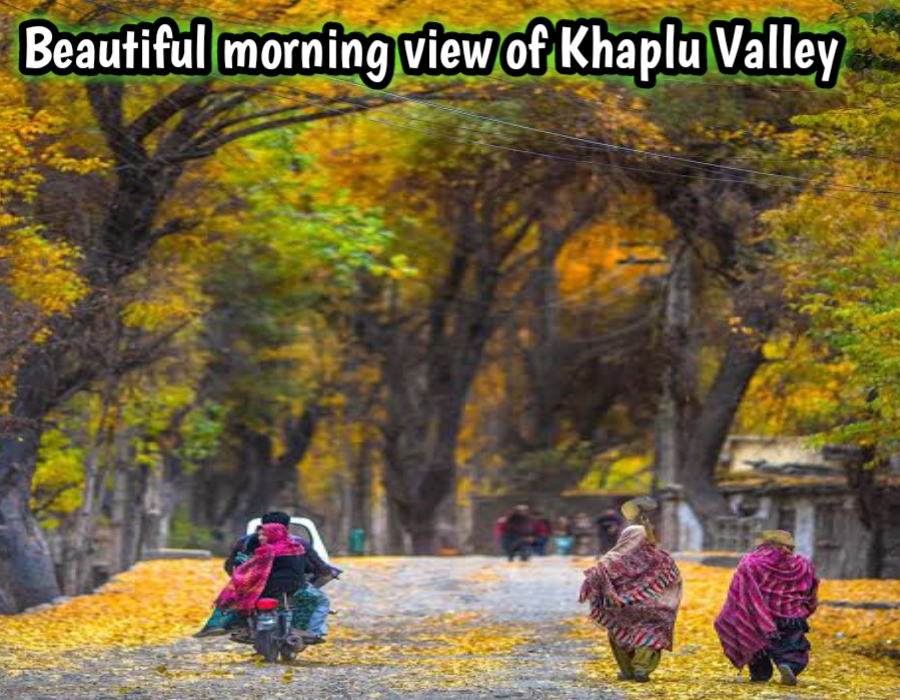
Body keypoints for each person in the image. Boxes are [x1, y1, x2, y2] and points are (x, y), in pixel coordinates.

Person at [579, 496, 682, 683]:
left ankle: (626, 671)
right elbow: (674, 580)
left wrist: (609, 598)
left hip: (622, 609)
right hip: (654, 608)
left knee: (618, 633)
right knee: (650, 636)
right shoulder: (662, 558)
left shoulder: (611, 559)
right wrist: (667, 603)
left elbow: (594, 579)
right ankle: (642, 669)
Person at [195, 512, 337, 643]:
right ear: (286, 528)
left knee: (237, 597)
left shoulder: (251, 545)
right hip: (289, 588)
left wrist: (239, 579)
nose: (261, 537)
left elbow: (234, 565)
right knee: (319, 600)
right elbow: (314, 566)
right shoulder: (296, 546)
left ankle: (240, 627)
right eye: (261, 534)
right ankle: (310, 632)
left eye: (263, 534)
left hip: (254, 587)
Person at [714, 530, 819, 687]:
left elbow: (740, 588)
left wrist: (736, 610)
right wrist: (805, 607)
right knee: (791, 646)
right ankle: (789, 665)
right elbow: (811, 588)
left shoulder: (751, 562)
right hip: (791, 615)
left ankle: (760, 674)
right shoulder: (803, 564)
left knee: (755, 642)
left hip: (756, 614)